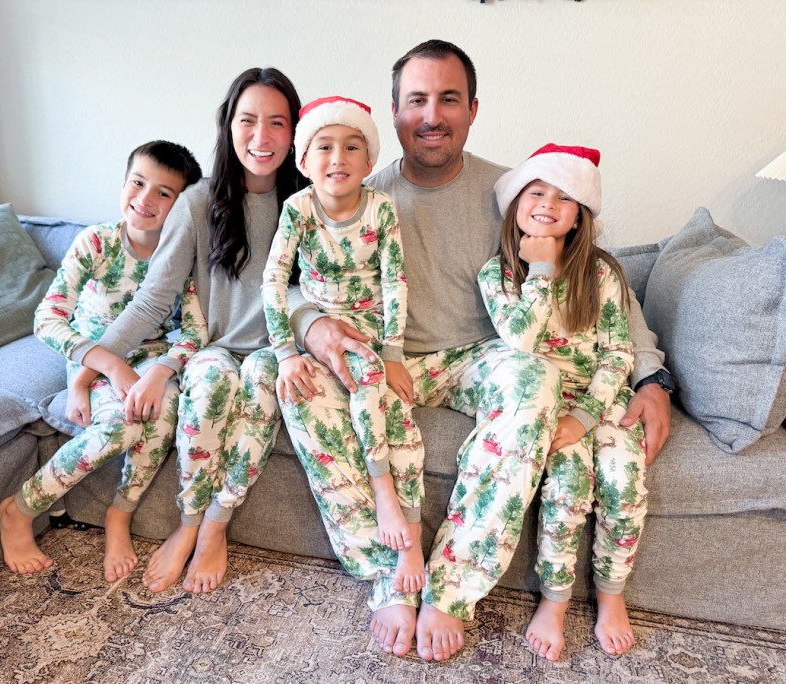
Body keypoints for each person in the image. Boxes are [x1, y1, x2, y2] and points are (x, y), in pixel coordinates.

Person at [284, 40, 672, 662]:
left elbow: (595, 278)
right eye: (417, 100)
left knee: (533, 376)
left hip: (479, 357)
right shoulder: (356, 193)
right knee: (298, 389)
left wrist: (653, 379)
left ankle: (450, 589)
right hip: (386, 360)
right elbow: (292, 278)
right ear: (393, 111)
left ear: (472, 109)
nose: (432, 115)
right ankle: (390, 574)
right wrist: (308, 325)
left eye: (448, 99)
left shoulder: (512, 190)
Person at [67, 67, 306, 595]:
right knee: (211, 383)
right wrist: (92, 365)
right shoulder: (198, 202)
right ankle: (189, 522)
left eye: (277, 123)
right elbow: (154, 298)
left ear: (294, 132)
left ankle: (214, 527)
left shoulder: (307, 202)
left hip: (278, 349)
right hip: (212, 346)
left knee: (266, 391)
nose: (261, 137)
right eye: (247, 120)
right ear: (228, 126)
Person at [0, 140, 202, 582]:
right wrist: (98, 371)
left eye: (164, 193)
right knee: (121, 427)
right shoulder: (95, 242)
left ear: (181, 205)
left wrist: (162, 369)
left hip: (151, 360)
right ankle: (18, 509)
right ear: (124, 182)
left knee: (162, 416)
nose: (145, 199)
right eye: (138, 183)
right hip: (92, 357)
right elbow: (47, 320)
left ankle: (119, 515)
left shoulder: (184, 257)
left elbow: (195, 332)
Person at [479, 144, 647, 659]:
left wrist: (586, 416)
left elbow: (619, 354)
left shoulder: (603, 275)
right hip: (544, 401)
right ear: (516, 203)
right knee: (568, 481)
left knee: (624, 479)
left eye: (564, 196)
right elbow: (522, 343)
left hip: (599, 402)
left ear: (579, 217)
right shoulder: (499, 275)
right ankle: (554, 599)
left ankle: (610, 595)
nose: (548, 203)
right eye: (537, 191)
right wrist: (542, 272)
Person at [263, 96, 425, 594]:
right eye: (325, 147)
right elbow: (273, 280)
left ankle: (407, 526)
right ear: (304, 161)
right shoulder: (298, 209)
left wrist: (394, 353)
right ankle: (379, 511)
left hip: (370, 329)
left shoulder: (381, 207)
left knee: (392, 403)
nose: (338, 158)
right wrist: (286, 351)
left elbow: (395, 280)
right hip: (320, 331)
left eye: (352, 147)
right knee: (329, 396)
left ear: (369, 162)